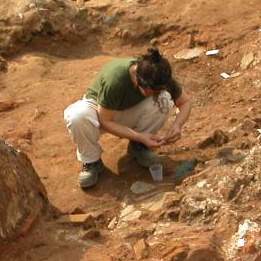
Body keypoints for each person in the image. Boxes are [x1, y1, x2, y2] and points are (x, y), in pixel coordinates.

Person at [63, 48, 193, 189]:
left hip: (126, 111)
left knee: (165, 99)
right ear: (139, 81)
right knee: (77, 116)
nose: (155, 93)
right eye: (152, 91)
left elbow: (185, 102)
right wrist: (140, 136)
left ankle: (139, 148)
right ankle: (92, 162)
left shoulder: (157, 75)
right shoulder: (116, 79)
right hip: (98, 111)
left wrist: (177, 125)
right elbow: (104, 121)